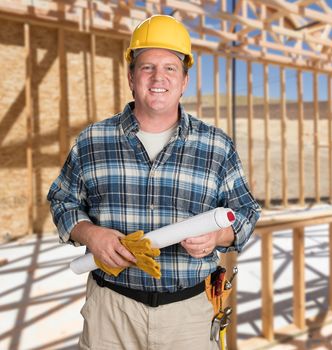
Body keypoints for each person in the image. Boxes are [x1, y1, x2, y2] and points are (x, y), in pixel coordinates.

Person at [47, 14, 260, 349]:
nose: (158, 76)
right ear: (132, 77)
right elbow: (62, 200)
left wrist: (218, 234)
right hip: (111, 312)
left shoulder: (216, 146)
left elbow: (246, 212)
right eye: (147, 67)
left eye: (170, 67)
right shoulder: (93, 140)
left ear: (184, 80)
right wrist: (90, 233)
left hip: (188, 314)